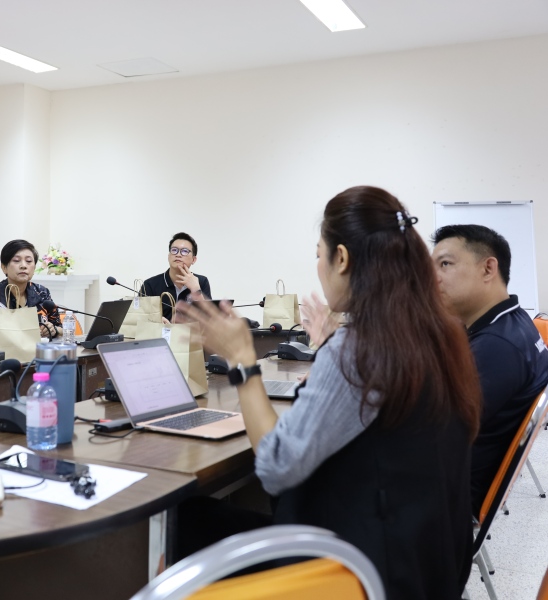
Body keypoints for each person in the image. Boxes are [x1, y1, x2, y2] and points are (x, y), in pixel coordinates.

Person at [177, 186, 481, 599]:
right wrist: (328, 348)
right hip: (424, 564)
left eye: (319, 254)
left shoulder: (360, 348)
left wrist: (242, 361)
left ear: (342, 258)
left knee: (183, 519)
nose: (318, 267)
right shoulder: (440, 335)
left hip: (354, 573)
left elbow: (275, 466)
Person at [432, 224, 548, 512]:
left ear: (488, 269)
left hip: (443, 496)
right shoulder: (514, 321)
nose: (433, 277)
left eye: (445, 264)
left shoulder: (498, 347)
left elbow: (426, 433)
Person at [0, 239, 61, 343]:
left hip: (41, 351)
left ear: (34, 267)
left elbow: (60, 328)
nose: (23, 265)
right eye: (16, 261)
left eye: (29, 261)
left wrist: (53, 330)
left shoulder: (42, 293)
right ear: (4, 267)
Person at [141, 232, 211, 322]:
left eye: (184, 251)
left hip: (191, 331)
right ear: (168, 256)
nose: (178, 254)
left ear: (193, 260)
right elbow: (141, 316)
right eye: (174, 250)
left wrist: (196, 290)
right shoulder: (150, 284)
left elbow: (209, 319)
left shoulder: (202, 282)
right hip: (160, 331)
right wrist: (157, 320)